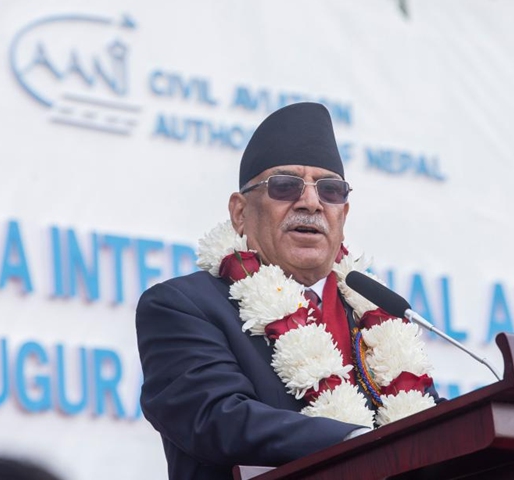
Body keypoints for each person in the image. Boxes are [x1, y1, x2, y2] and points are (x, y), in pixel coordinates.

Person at [136, 102, 440, 480]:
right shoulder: (183, 307)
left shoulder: (378, 319)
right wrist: (362, 442)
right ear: (240, 212)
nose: (311, 202)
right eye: (285, 186)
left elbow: (437, 434)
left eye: (330, 190)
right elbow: (216, 419)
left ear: (343, 217)